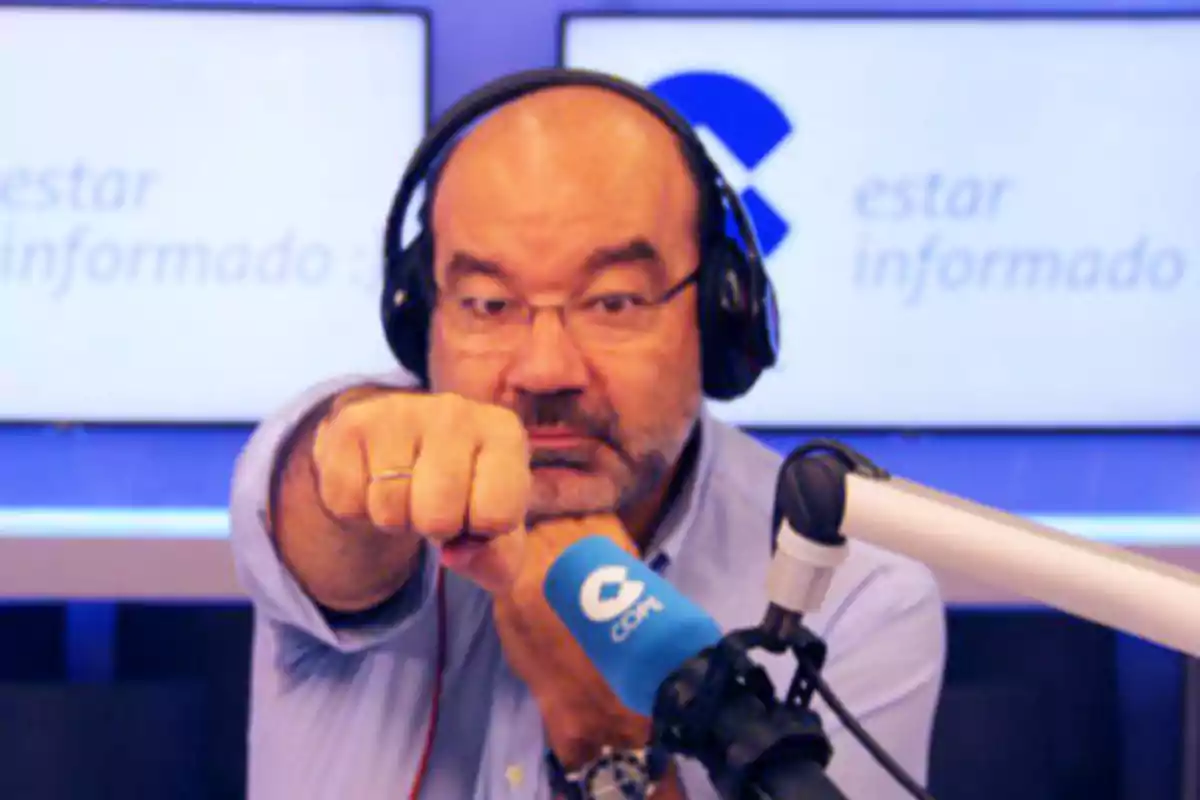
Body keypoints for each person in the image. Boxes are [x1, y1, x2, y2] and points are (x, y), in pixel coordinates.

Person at [228, 69, 946, 800]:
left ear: (717, 313)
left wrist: (605, 739)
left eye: (613, 302)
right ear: (423, 318)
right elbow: (326, 518)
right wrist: (361, 471)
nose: (545, 371)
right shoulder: (354, 453)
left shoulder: (856, 594)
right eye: (487, 303)